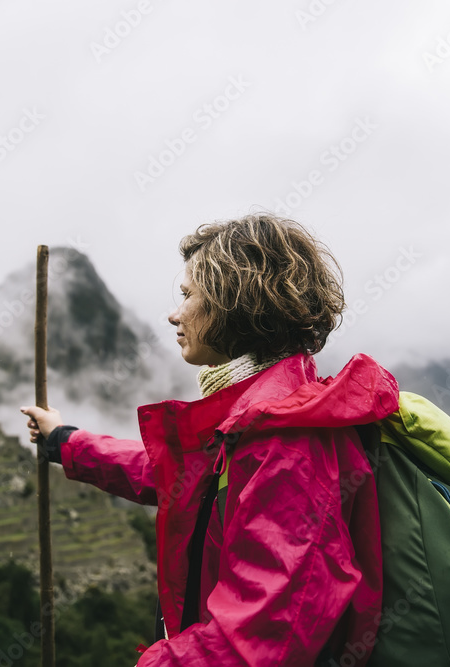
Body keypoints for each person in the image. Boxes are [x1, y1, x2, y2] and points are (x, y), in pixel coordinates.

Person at [21, 213, 400, 666]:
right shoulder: (256, 416)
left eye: (187, 295)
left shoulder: (288, 442)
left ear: (233, 302)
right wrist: (66, 441)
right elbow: (178, 478)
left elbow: (256, 641)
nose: (173, 313)